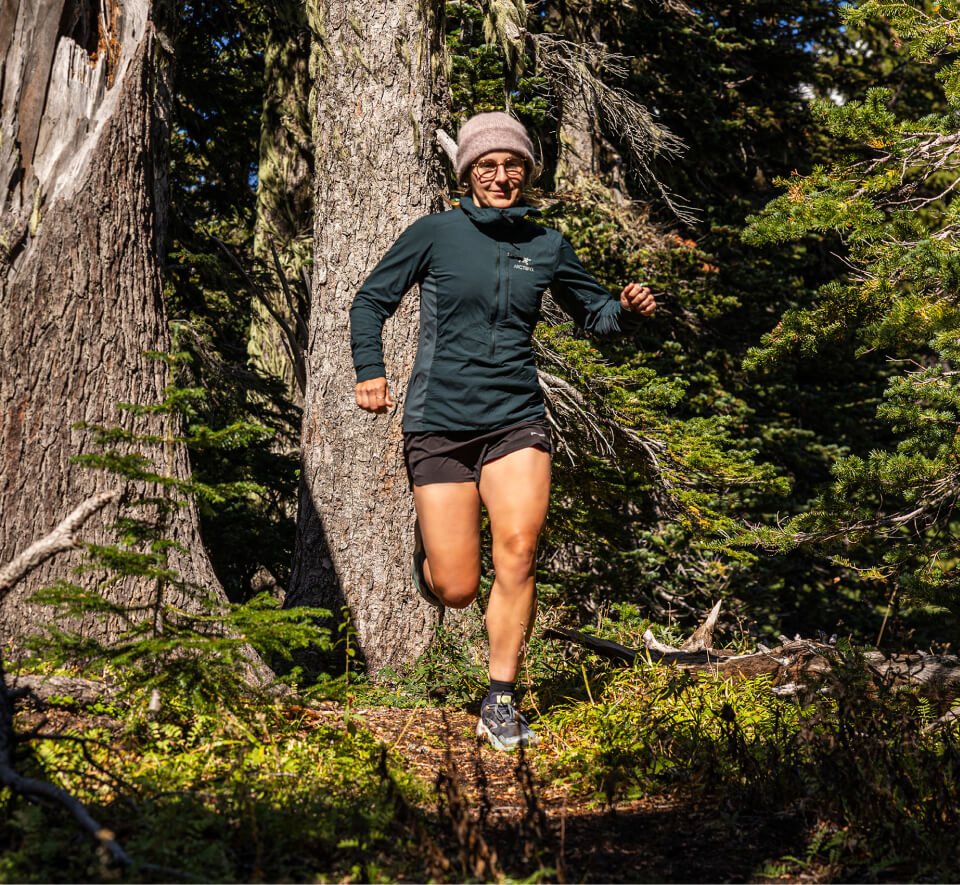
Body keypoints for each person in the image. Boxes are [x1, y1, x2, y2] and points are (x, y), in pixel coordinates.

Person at [350, 112, 656, 751]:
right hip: (439, 421)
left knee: (518, 548)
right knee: (457, 588)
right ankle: (433, 559)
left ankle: (500, 698)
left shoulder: (546, 243)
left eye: (512, 164)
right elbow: (371, 299)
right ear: (467, 174)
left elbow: (593, 315)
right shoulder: (435, 234)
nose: (500, 175)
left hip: (516, 419)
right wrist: (371, 371)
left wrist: (624, 311)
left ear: (526, 172)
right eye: (486, 166)